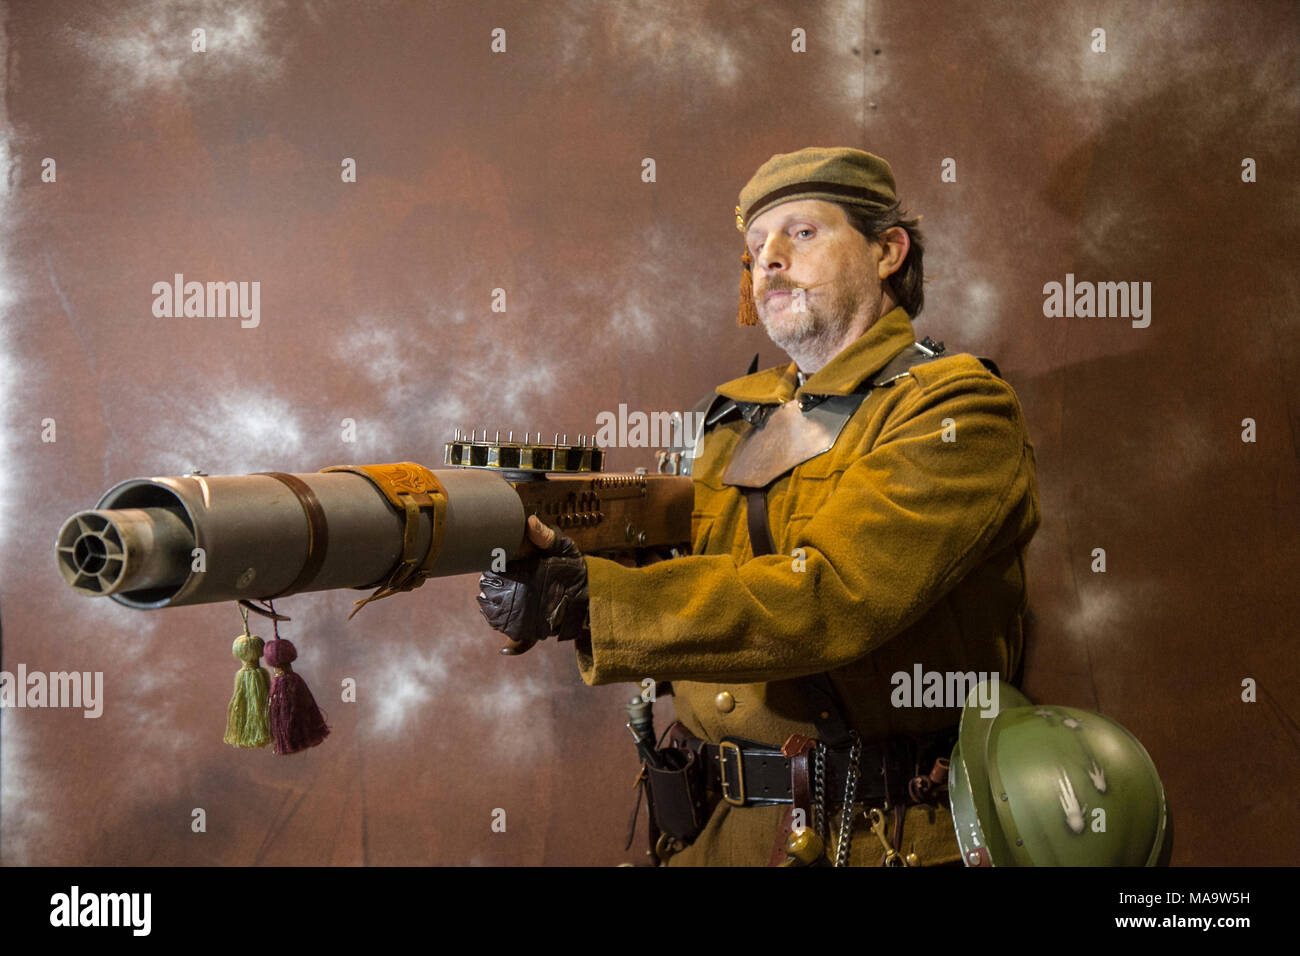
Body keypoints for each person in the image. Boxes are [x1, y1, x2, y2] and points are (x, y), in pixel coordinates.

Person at [477, 146, 1041, 867]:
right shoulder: (729, 415)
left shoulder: (956, 408)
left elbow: (834, 595)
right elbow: (666, 562)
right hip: (712, 831)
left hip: (876, 835)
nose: (767, 259)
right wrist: (548, 559)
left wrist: (595, 604)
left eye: (801, 233)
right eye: (755, 245)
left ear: (887, 250)